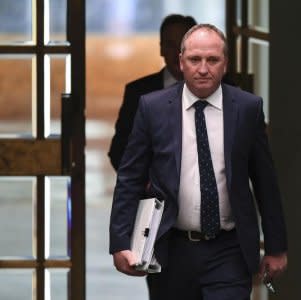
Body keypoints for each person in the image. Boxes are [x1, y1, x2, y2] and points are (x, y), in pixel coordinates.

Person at [109, 23, 288, 300]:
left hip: (229, 250)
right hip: (171, 248)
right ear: (181, 62)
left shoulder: (247, 108)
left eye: (212, 60)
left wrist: (276, 247)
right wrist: (121, 242)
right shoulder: (153, 108)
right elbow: (130, 178)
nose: (203, 69)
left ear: (225, 64)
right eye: (195, 59)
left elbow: (266, 181)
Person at [108, 14, 197, 171]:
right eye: (170, 45)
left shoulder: (222, 89)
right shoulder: (138, 93)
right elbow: (119, 151)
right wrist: (145, 186)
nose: (178, 52)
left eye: (184, 45)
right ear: (161, 48)